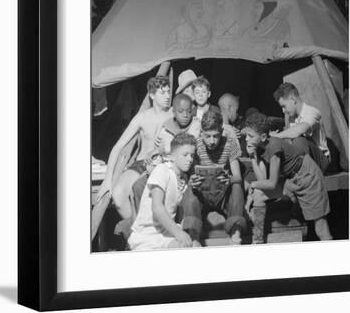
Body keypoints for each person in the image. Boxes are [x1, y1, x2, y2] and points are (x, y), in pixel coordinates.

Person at [244, 111, 332, 241]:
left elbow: (272, 183)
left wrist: (252, 184)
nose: (246, 139)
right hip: (290, 180)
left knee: (321, 228)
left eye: (250, 136)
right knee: (259, 194)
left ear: (263, 137)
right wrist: (252, 157)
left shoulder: (274, 146)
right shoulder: (259, 147)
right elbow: (262, 181)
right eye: (246, 135)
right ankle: (257, 239)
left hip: (308, 177)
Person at [95, 75, 171, 219]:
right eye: (162, 92)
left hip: (164, 164)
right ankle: (134, 230)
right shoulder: (142, 117)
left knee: (152, 196)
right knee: (118, 195)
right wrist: (107, 180)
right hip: (141, 164)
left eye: (168, 92)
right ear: (152, 95)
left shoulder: (173, 114)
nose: (167, 96)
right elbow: (117, 147)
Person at [182, 108, 246, 245]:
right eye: (207, 136)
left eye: (216, 136)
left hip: (223, 195)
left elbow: (238, 177)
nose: (212, 141)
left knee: (236, 186)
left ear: (222, 131)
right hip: (203, 195)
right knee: (189, 189)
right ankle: (194, 238)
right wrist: (192, 180)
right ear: (201, 133)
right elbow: (190, 173)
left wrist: (229, 179)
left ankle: (235, 234)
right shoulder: (197, 145)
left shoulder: (230, 143)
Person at [128, 134, 199, 251]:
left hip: (166, 232)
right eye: (185, 155)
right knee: (185, 247)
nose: (190, 159)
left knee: (195, 245)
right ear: (172, 157)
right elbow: (157, 207)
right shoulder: (162, 170)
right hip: (148, 235)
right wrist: (178, 233)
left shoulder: (183, 179)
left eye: (192, 155)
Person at [271, 82, 331, 174]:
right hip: (304, 159)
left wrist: (277, 136)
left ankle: (304, 176)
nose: (283, 110)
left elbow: (302, 129)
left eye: (284, 106)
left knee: (299, 140)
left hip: (321, 162)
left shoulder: (312, 112)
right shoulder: (291, 117)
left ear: (292, 99)